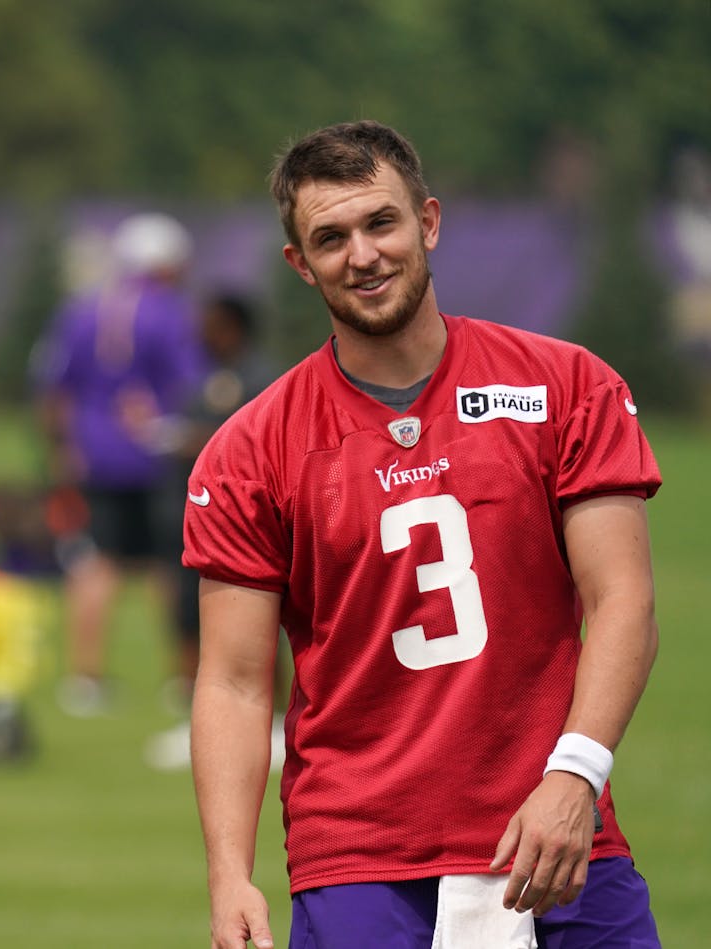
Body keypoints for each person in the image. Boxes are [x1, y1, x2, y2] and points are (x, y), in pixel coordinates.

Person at [184, 120, 661, 948]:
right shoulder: (251, 448)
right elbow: (231, 681)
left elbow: (623, 598)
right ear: (301, 264)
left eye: (381, 223)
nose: (362, 255)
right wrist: (230, 875)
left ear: (428, 223)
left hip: (557, 827)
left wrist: (575, 774)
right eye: (330, 238)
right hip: (360, 855)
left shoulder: (565, 385)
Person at [35, 212, 204, 716]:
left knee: (95, 562)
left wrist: (64, 446)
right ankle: (183, 677)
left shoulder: (82, 310)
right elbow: (190, 385)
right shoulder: (169, 312)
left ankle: (85, 679)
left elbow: (54, 385)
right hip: (155, 451)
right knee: (170, 565)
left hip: (93, 451)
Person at [144, 291, 283, 771]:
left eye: (211, 324)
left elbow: (251, 441)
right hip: (194, 516)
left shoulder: (258, 378)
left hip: (245, 522)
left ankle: (278, 721)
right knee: (187, 615)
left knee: (261, 619)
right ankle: (193, 716)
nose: (202, 333)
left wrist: (188, 439)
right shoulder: (201, 378)